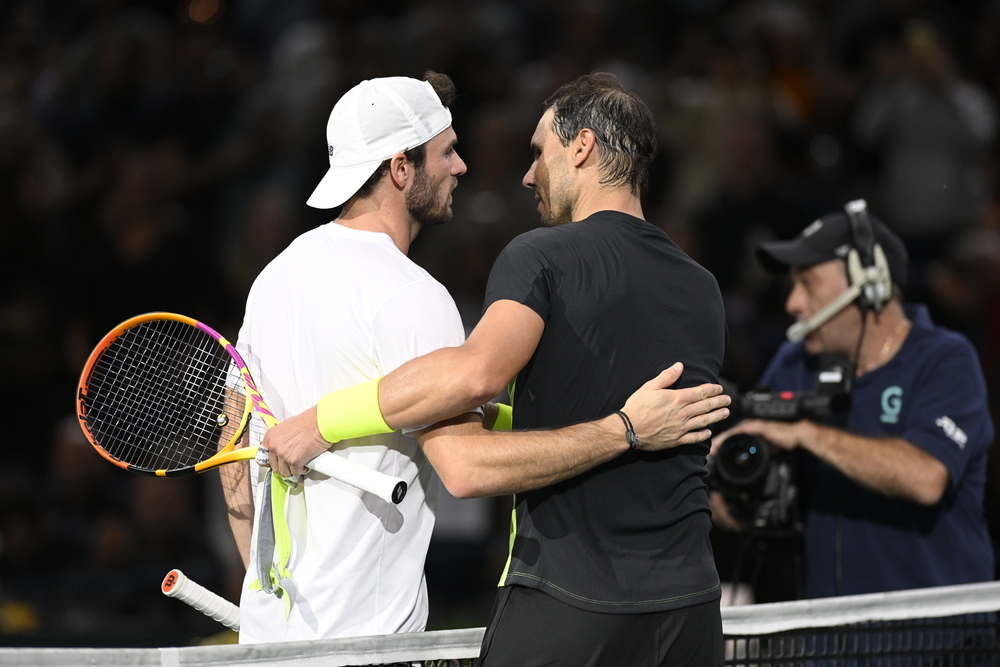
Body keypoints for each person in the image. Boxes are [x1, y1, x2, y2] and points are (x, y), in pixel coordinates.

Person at [222, 72, 732, 645]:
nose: (463, 167)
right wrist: (625, 430)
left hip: (270, 637)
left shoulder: (273, 278)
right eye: (448, 152)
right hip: (370, 640)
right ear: (399, 168)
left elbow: (235, 448)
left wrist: (263, 587)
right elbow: (466, 454)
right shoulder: (415, 296)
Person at [712, 203, 995, 598]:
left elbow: (927, 476)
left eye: (807, 283)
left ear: (871, 284)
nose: (793, 302)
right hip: (829, 638)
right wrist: (735, 500)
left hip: (938, 638)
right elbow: (768, 481)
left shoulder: (944, 357)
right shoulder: (794, 362)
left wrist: (805, 433)